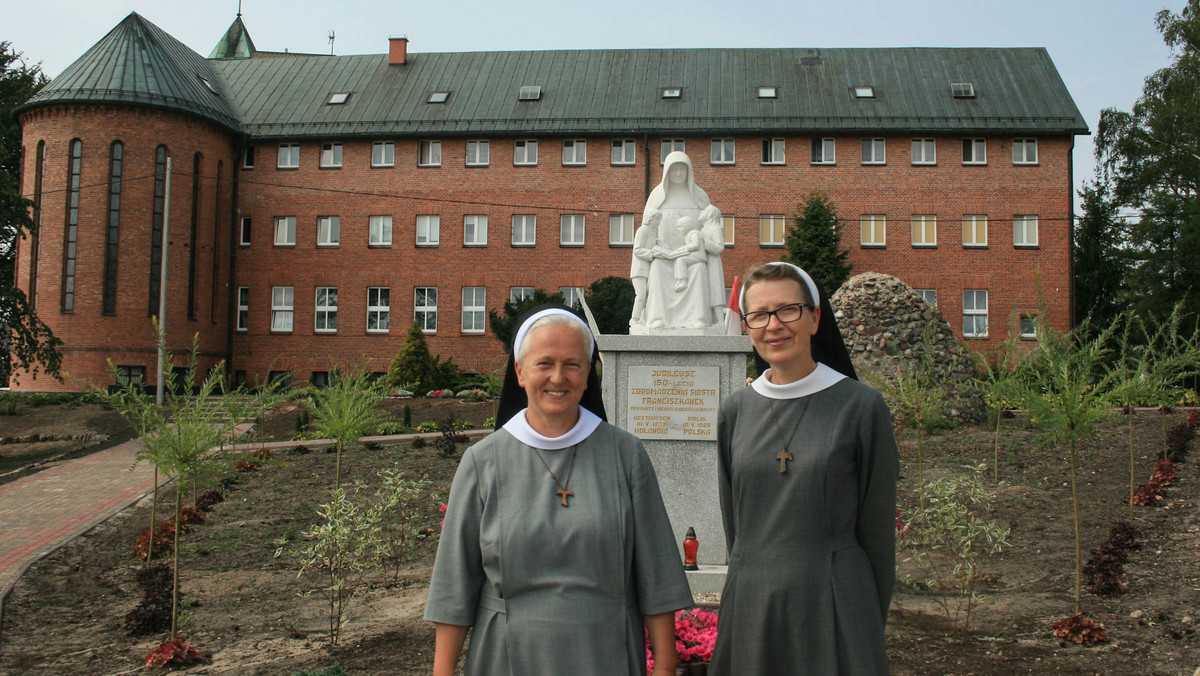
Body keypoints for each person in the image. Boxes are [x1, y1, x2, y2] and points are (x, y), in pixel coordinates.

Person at [425, 306, 693, 676]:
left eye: (572, 364)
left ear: (587, 375)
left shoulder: (625, 455)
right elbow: (454, 586)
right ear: (519, 372)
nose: (558, 377)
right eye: (544, 363)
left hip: (607, 653)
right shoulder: (482, 462)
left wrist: (664, 667)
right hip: (506, 657)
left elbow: (657, 574)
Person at [709, 262, 898, 675]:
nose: (773, 325)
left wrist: (864, 620)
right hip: (753, 603)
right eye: (759, 315)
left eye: (788, 310)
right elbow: (735, 528)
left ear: (814, 318)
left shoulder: (861, 407)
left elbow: (878, 535)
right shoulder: (734, 412)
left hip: (835, 601)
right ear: (747, 326)